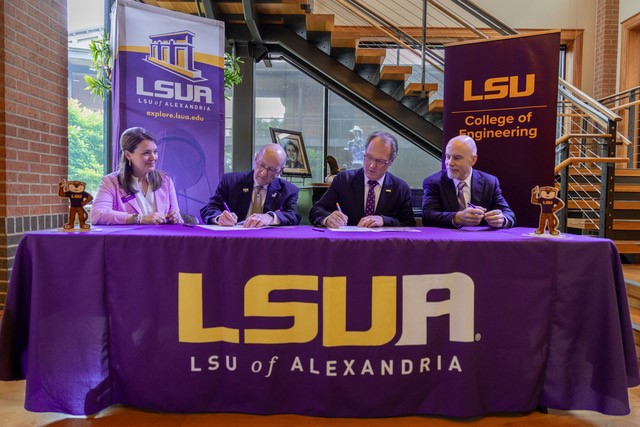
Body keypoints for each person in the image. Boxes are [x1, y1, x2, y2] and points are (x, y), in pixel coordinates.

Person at [310, 131, 416, 228]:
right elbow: (317, 210)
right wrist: (328, 219)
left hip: (383, 247)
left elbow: (409, 224)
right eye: (369, 157)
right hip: (347, 245)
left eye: (379, 161)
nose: (372, 166)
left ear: (391, 161)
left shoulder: (400, 188)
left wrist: (384, 220)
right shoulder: (344, 180)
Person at [90, 127, 183, 225]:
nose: (153, 157)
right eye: (146, 153)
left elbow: (178, 219)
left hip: (162, 240)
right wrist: (139, 218)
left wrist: (176, 218)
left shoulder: (166, 181)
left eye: (155, 152)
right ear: (128, 155)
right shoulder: (111, 182)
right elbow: (97, 215)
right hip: (128, 240)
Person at [421, 135, 515, 229]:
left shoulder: (489, 182)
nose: (450, 163)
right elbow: (428, 217)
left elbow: (508, 214)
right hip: (446, 240)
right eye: (448, 157)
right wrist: (457, 218)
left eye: (457, 158)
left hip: (479, 240)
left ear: (473, 160)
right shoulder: (433, 182)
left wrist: (501, 219)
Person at [200, 144, 301, 227]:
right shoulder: (230, 181)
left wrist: (270, 218)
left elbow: (294, 215)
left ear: (280, 170)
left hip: (268, 243)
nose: (263, 173)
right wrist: (219, 218)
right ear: (256, 158)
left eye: (271, 170)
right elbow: (210, 208)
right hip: (233, 240)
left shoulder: (289, 191)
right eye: (261, 165)